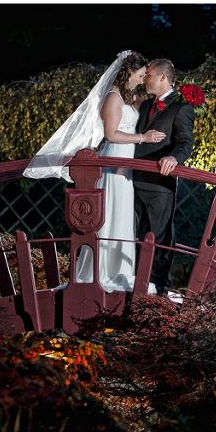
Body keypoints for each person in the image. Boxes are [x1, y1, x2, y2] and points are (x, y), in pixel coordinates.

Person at [23, 50, 165, 293]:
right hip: (115, 158)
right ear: (128, 73)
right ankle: (102, 272)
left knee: (122, 211)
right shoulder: (114, 97)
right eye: (140, 75)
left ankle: (120, 269)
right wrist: (143, 137)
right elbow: (111, 133)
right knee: (112, 210)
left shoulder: (129, 97)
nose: (143, 79)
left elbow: (155, 105)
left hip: (127, 161)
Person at [133, 58, 196, 296]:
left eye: (148, 75)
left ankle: (159, 290)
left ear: (162, 77)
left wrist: (174, 158)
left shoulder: (181, 108)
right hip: (132, 180)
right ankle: (137, 286)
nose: (144, 79)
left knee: (160, 236)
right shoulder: (147, 104)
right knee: (135, 236)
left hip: (159, 182)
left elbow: (185, 142)